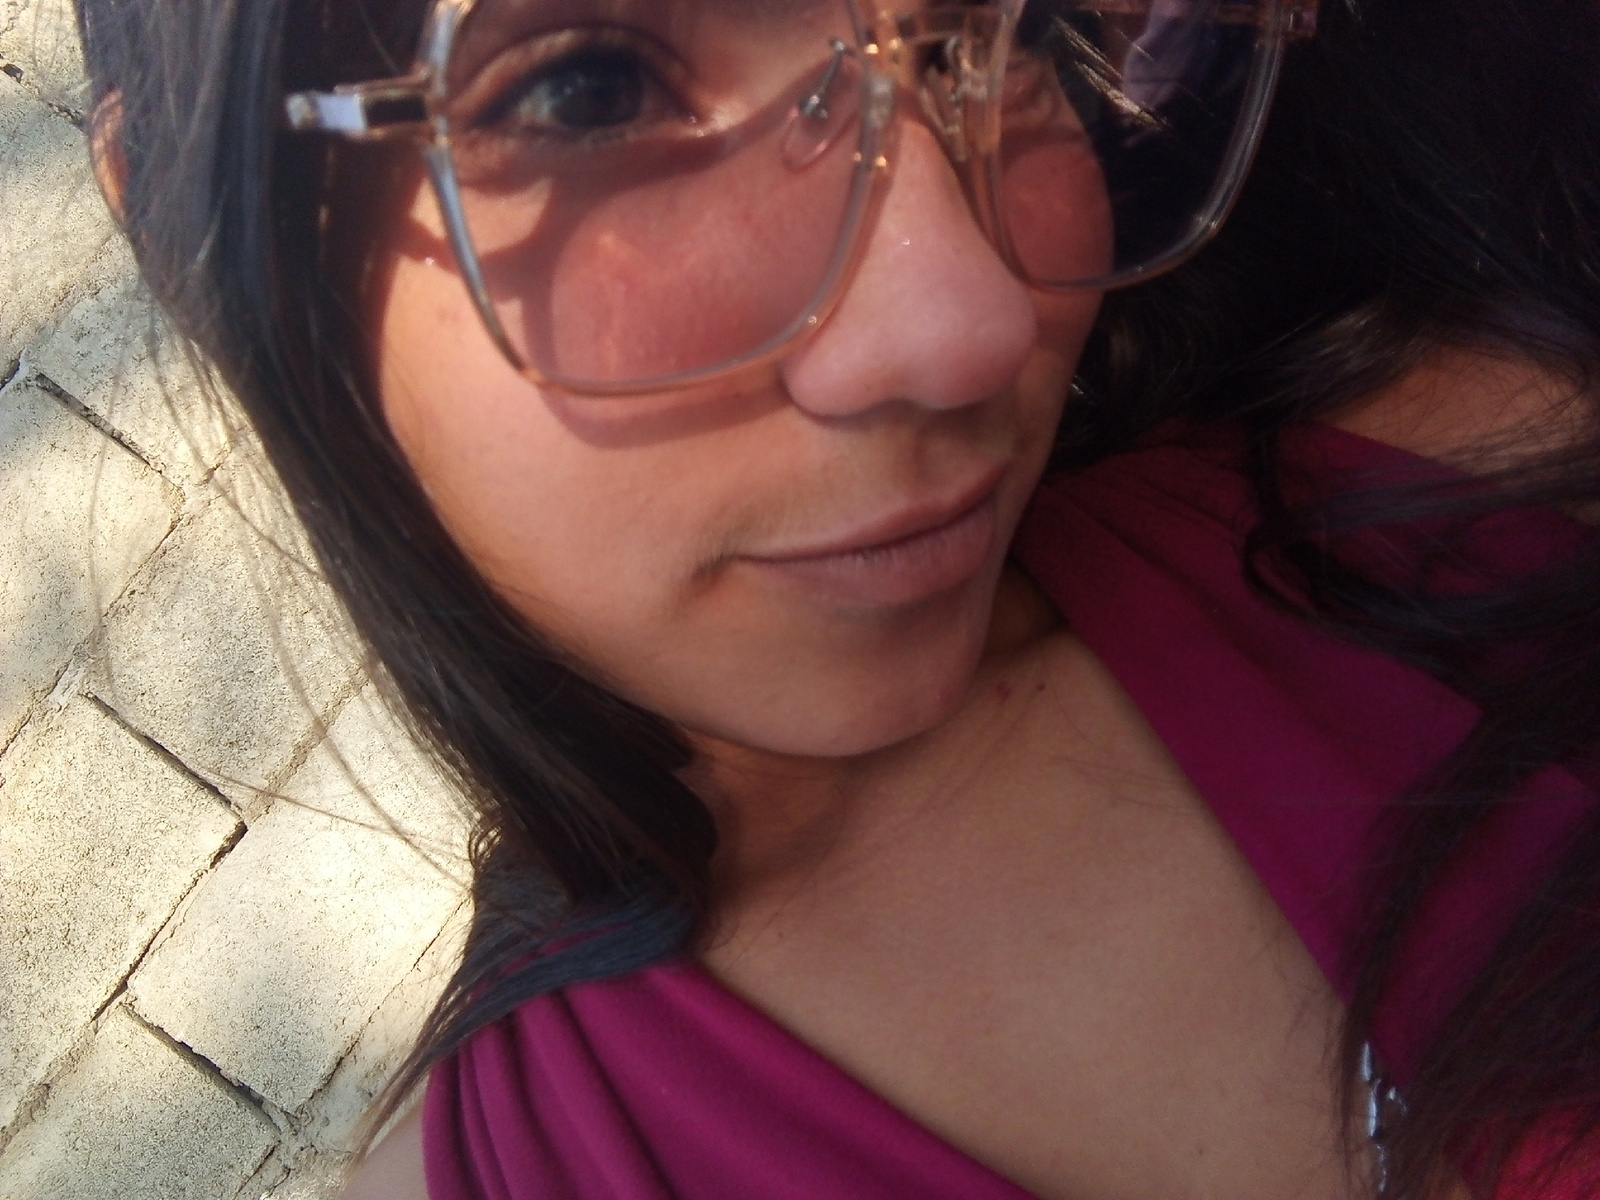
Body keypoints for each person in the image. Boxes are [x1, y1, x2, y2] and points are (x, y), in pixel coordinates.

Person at [72, 0, 1600, 1196]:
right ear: (190, 238)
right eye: (589, 89)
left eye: (989, 34)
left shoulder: (1439, 479)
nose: (971, 318)